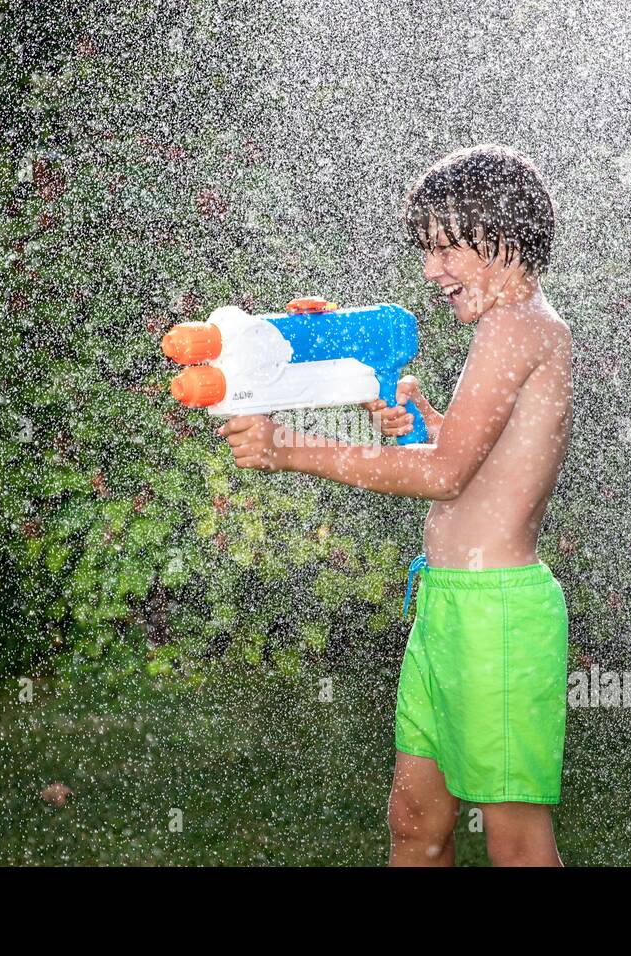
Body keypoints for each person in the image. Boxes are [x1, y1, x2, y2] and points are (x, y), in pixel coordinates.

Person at [217, 143, 573, 866]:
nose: (430, 271)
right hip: (451, 607)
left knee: (517, 848)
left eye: (446, 249)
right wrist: (428, 419)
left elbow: (443, 477)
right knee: (414, 825)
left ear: (504, 236)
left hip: (495, 615)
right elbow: (480, 462)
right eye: (425, 249)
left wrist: (291, 449)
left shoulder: (517, 329)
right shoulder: (515, 327)